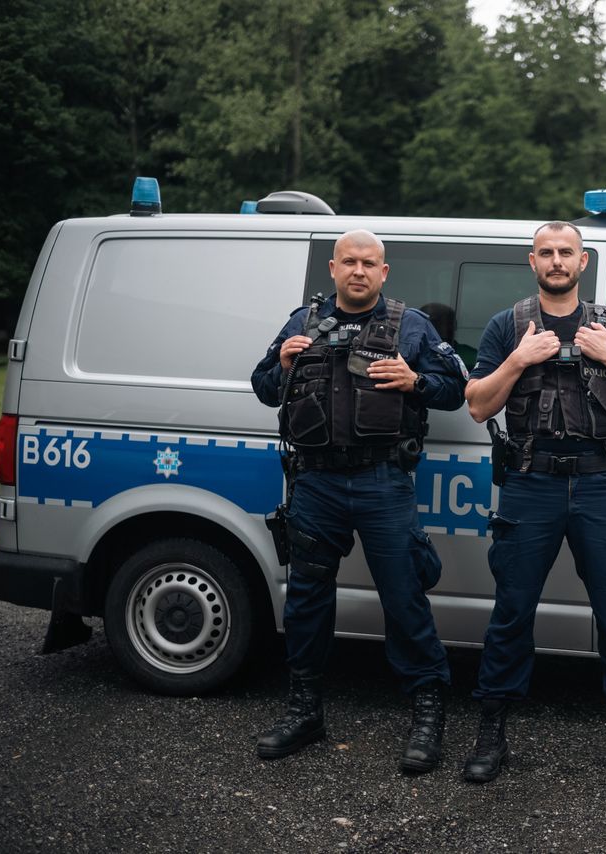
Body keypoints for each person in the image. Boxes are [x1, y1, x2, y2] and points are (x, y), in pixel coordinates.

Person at [461, 221, 606, 786]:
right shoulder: (507, 326)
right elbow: (478, 406)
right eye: (546, 253)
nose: (557, 261)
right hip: (530, 484)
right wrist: (517, 360)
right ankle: (492, 734)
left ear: (584, 263)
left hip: (599, 483)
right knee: (511, 612)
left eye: (567, 253)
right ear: (531, 262)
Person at [250, 229, 466, 771]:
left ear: (384, 272)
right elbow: (262, 386)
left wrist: (416, 380)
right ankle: (305, 711)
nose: (359, 271)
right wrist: (280, 363)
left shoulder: (409, 325)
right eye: (350, 261)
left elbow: (455, 389)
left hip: (382, 481)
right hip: (316, 483)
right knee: (306, 597)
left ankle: (426, 714)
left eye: (370, 263)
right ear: (333, 267)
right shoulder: (302, 323)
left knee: (404, 596)